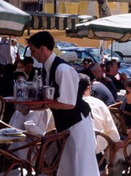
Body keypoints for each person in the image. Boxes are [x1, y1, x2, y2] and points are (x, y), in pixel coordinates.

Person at [27, 31, 99, 176]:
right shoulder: (47, 69)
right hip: (65, 125)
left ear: (43, 48)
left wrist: (44, 105)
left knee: (81, 169)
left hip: (77, 124)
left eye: (33, 51)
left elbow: (68, 104)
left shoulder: (62, 69)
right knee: (67, 168)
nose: (32, 55)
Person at [79, 73, 120, 155]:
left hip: (69, 153)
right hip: (95, 151)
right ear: (88, 88)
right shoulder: (98, 103)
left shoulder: (65, 106)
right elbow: (113, 134)